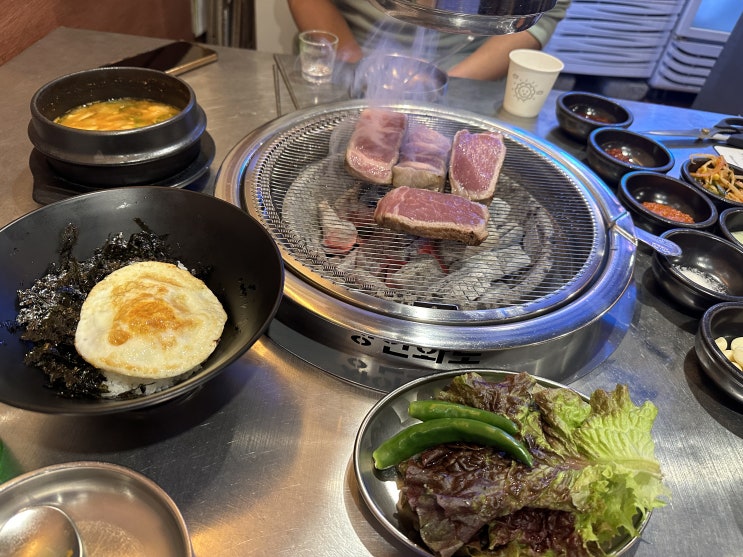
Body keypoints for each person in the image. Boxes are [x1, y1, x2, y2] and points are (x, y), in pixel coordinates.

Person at [287, 0, 571, 80]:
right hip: (352, 54)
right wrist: (359, 72)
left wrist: (448, 82)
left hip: (471, 67)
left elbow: (546, 14)